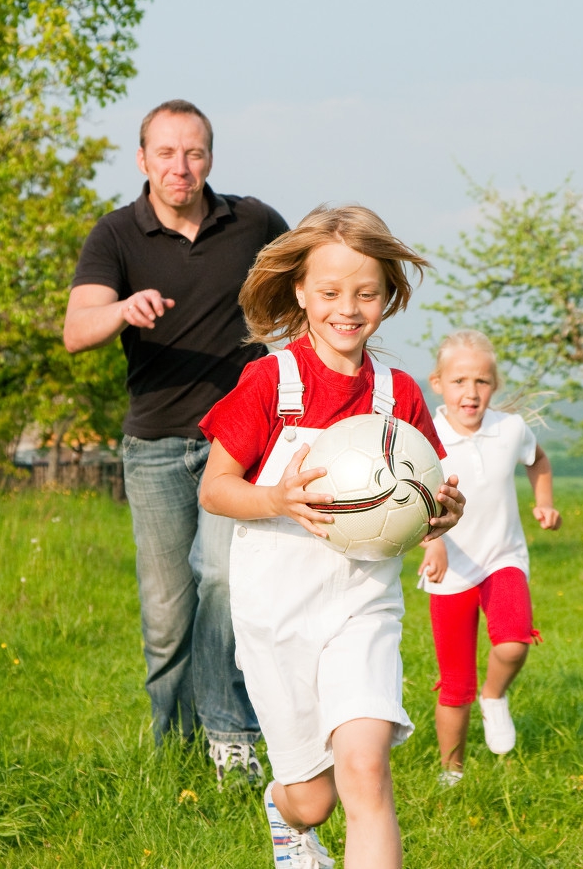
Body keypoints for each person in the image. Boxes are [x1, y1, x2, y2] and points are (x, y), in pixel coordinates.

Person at [199, 205, 465, 868]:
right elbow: (215, 488)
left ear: (387, 297)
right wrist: (276, 498)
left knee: (366, 770)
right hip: (276, 612)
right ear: (300, 292)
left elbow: (429, 491)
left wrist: (441, 514)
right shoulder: (270, 381)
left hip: (360, 605)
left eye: (366, 293)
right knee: (313, 800)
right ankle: (285, 817)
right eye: (330, 292)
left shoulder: (396, 395)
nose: (348, 308)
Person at [63, 100, 288, 782]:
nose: (179, 166)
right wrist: (121, 310)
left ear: (209, 159)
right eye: (165, 153)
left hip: (239, 445)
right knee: (167, 615)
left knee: (221, 578)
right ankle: (176, 749)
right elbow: (76, 330)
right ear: (142, 160)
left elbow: (304, 282)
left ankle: (230, 735)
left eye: (192, 153)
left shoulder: (253, 221)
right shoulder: (115, 236)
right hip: (156, 444)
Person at [416, 329, 561, 785]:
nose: (471, 392)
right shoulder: (427, 437)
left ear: (494, 385)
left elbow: (538, 459)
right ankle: (451, 771)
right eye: (459, 381)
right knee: (455, 685)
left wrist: (545, 500)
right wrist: (432, 541)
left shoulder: (510, 429)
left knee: (514, 642)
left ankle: (494, 696)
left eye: (481, 382)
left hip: (503, 558)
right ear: (437, 382)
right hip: (451, 567)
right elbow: (413, 498)